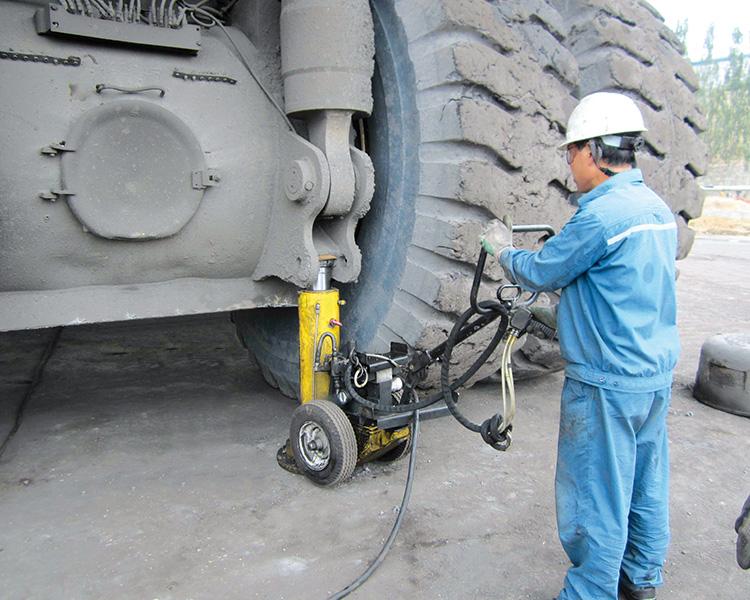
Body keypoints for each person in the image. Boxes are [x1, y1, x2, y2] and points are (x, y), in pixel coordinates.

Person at [482, 92, 680, 600]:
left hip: (605, 385)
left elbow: (544, 269)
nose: (570, 164)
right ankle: (641, 580)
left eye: (570, 152)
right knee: (644, 484)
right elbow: (623, 292)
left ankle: (589, 593)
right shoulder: (656, 210)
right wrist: (561, 317)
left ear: (593, 150)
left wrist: (501, 248)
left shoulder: (601, 217)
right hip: (651, 378)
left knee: (595, 497)